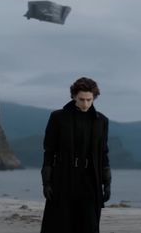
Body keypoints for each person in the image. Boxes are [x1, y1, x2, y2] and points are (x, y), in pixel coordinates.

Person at [41, 77, 111, 233]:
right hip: (64, 178)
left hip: (90, 181)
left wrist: (107, 183)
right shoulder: (58, 118)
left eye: (89, 100)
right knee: (60, 225)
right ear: (73, 96)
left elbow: (104, 154)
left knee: (89, 226)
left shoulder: (102, 121)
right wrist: (46, 182)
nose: (85, 104)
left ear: (94, 98)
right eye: (81, 99)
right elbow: (49, 151)